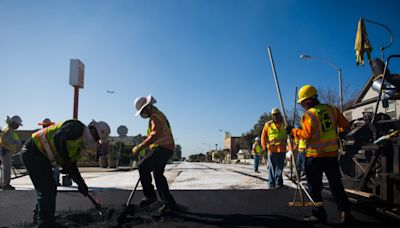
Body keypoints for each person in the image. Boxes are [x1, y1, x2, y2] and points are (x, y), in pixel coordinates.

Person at [21, 119, 110, 227]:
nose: (95, 141)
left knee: (49, 188)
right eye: (96, 137)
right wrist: (65, 160)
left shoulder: (79, 146)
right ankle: (45, 223)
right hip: (33, 150)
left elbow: (72, 167)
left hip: (42, 156)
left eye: (98, 139)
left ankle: (42, 217)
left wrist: (82, 185)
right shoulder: (76, 127)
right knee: (47, 189)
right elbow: (59, 137)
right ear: (93, 130)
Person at [288, 85, 353, 224]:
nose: (302, 105)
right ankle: (345, 212)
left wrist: (293, 131)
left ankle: (319, 214)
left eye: (303, 102)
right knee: (336, 185)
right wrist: (340, 133)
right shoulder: (332, 109)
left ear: (309, 100)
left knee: (314, 188)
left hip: (314, 156)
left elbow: (306, 134)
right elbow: (346, 125)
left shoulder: (309, 114)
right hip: (331, 155)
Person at [131, 94, 177, 213]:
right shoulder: (157, 114)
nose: (142, 115)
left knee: (143, 166)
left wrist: (140, 147)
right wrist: (149, 148)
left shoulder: (155, 117)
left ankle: (150, 196)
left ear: (147, 108)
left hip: (162, 148)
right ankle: (169, 203)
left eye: (142, 112)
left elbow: (155, 135)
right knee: (158, 176)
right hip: (165, 148)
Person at [261, 108, 287, 189]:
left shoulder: (284, 124)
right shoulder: (268, 124)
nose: (275, 116)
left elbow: (289, 136)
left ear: (279, 115)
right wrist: (264, 146)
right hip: (272, 149)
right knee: (272, 167)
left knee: (280, 167)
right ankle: (272, 184)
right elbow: (263, 136)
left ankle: (279, 183)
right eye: (273, 115)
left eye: (276, 115)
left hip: (282, 149)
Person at [0, 115, 23, 190]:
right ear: (13, 123)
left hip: (6, 151)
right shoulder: (8, 130)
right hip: (6, 151)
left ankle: (3, 183)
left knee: (5, 167)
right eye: (17, 125)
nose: (18, 126)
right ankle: (5, 184)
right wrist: (18, 143)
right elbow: (6, 141)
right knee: (6, 167)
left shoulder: (9, 129)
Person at [37, 118, 61, 186]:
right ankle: (54, 182)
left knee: (52, 168)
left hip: (48, 153)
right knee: (54, 168)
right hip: (49, 153)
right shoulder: (49, 133)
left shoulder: (41, 133)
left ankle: (52, 182)